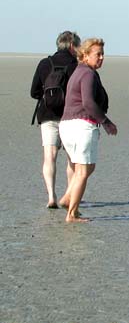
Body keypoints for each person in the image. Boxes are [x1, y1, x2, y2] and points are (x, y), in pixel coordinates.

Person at [59, 38, 118, 223]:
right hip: (81, 126)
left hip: (67, 125)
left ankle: (68, 198)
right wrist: (107, 123)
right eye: (97, 54)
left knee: (85, 167)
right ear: (84, 55)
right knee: (83, 171)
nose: (101, 58)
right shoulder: (87, 74)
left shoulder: (79, 71)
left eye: (102, 54)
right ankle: (72, 213)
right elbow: (88, 103)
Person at [30, 31, 81, 209]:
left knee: (49, 156)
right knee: (71, 158)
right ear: (73, 46)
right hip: (70, 116)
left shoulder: (45, 63)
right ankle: (69, 194)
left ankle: (51, 196)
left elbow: (34, 92)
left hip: (47, 114)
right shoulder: (76, 65)